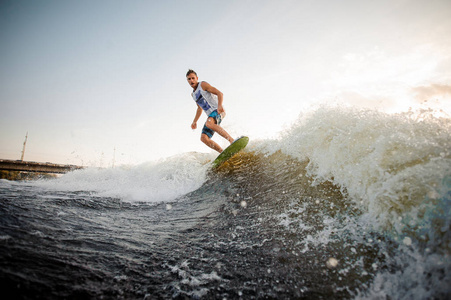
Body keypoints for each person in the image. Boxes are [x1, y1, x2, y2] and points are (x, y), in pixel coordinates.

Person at [186, 69, 234, 153]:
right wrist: (194, 121)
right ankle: (223, 153)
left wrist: (219, 105)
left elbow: (220, 93)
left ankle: (232, 140)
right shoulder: (193, 95)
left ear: (197, 78)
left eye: (193, 78)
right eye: (189, 79)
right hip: (211, 116)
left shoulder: (203, 85)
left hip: (218, 110)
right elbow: (199, 108)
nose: (191, 81)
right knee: (204, 138)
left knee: (209, 124)